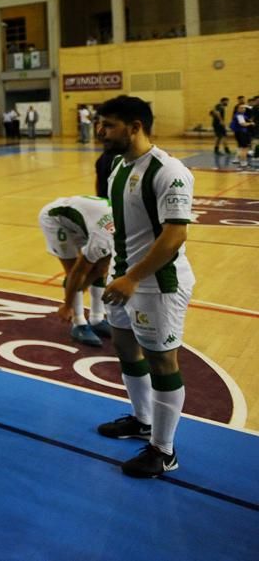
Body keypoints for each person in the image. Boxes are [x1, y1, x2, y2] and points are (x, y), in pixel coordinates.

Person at [96, 95, 195, 478]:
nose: (100, 131)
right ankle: (142, 419)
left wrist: (133, 277)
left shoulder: (169, 170)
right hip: (124, 277)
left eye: (109, 125)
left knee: (161, 361)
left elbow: (175, 236)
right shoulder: (119, 167)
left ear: (135, 126)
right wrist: (118, 273)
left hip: (157, 283)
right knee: (123, 346)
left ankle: (163, 449)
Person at [38, 195, 114, 347]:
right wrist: (68, 305)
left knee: (101, 268)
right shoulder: (104, 238)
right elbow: (78, 272)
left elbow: (102, 269)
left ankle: (97, 318)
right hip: (56, 220)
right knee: (74, 269)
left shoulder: (123, 229)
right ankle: (78, 323)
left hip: (84, 223)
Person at [230, 102, 254, 169]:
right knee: (244, 148)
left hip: (240, 133)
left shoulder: (242, 115)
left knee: (241, 148)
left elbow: (250, 108)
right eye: (241, 108)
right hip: (241, 133)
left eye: (244, 108)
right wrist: (250, 123)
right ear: (237, 109)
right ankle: (243, 163)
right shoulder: (239, 115)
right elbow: (243, 124)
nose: (244, 109)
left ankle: (239, 160)